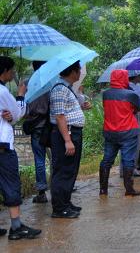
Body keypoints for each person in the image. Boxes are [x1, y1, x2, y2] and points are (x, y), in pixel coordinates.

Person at [0, 56, 41, 240]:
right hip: (2, 146)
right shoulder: (2, 92)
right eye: (12, 70)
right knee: (11, 184)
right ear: (5, 71)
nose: (13, 73)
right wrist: (21, 95)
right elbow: (18, 113)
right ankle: (16, 227)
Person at [49, 61, 91, 218]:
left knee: (71, 169)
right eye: (79, 70)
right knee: (63, 170)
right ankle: (59, 208)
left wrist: (80, 108)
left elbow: (66, 111)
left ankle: (65, 202)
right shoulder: (60, 89)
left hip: (72, 132)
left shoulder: (66, 88)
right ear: (73, 72)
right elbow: (59, 116)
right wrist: (67, 140)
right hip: (66, 134)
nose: (80, 73)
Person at [100, 70, 140, 196]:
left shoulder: (105, 94)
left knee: (107, 160)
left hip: (110, 131)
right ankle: (129, 189)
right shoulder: (131, 95)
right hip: (128, 131)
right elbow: (136, 109)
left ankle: (103, 189)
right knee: (128, 160)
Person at [23, 61, 50, 204]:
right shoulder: (50, 82)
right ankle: (60, 186)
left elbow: (24, 109)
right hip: (49, 126)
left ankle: (41, 192)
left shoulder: (27, 83)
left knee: (39, 159)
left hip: (35, 126)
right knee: (56, 156)